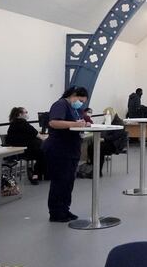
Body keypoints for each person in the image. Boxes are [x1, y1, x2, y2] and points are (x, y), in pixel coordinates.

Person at [43, 86, 89, 223]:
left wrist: (83, 123)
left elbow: (79, 121)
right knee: (60, 182)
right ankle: (56, 212)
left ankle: (65, 209)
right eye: (80, 100)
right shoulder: (60, 105)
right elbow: (54, 122)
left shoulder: (75, 109)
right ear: (73, 95)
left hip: (71, 150)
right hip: (59, 150)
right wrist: (75, 123)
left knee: (68, 182)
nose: (81, 103)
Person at [6, 106, 46, 184]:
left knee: (42, 151)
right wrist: (45, 138)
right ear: (20, 114)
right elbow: (36, 134)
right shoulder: (23, 123)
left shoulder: (13, 123)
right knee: (44, 153)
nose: (27, 114)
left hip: (18, 151)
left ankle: (37, 174)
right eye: (26, 112)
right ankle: (36, 175)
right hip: (26, 151)